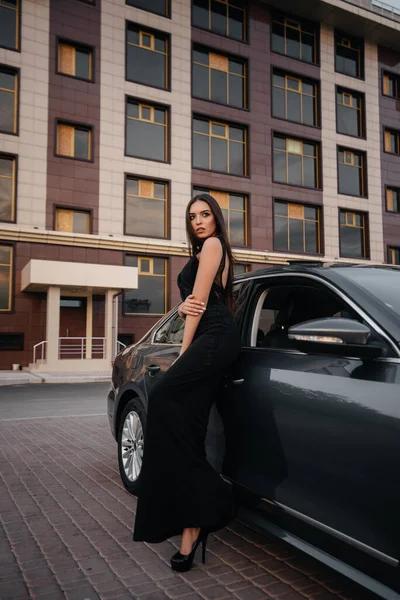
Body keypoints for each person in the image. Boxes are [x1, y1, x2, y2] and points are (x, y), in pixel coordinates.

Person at [133, 193, 241, 572]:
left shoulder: (213, 245)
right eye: (192, 216)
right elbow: (194, 301)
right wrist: (181, 308)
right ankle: (191, 528)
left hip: (213, 338)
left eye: (205, 214)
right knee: (190, 427)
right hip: (210, 336)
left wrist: (182, 352)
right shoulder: (200, 253)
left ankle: (214, 493)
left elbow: (197, 305)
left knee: (161, 398)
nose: (198, 221)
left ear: (216, 219)